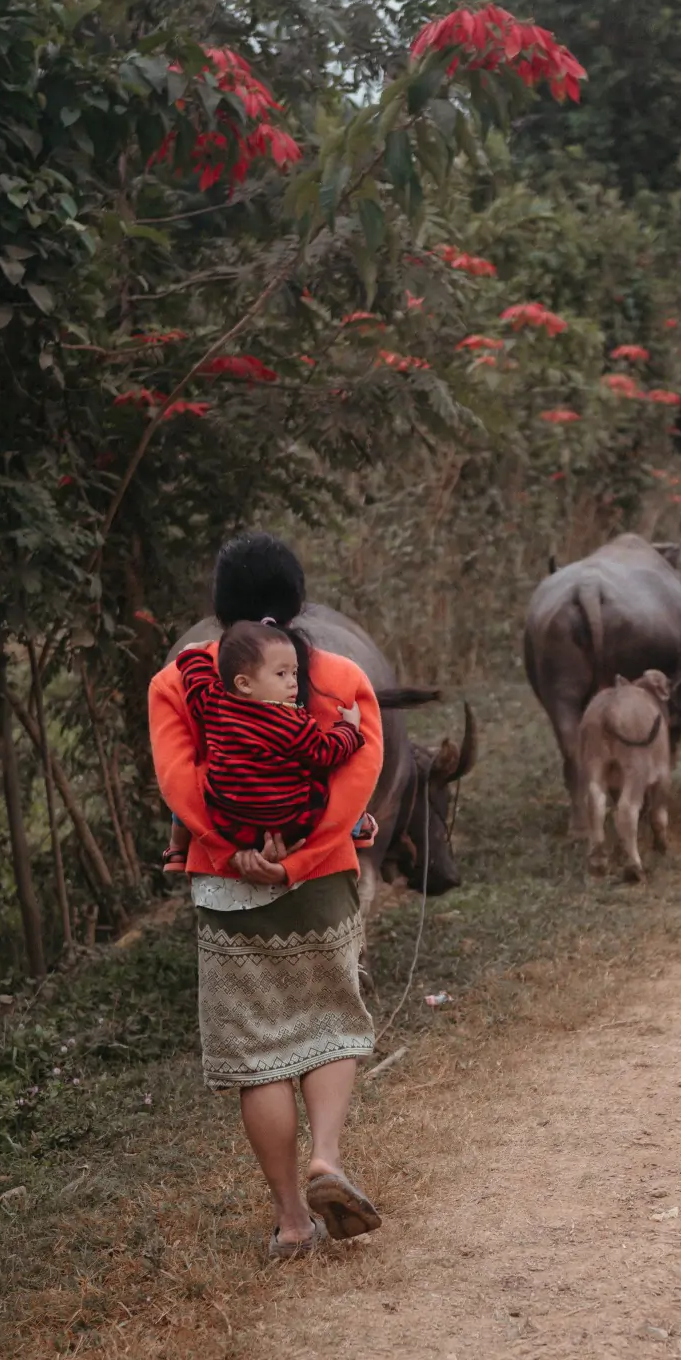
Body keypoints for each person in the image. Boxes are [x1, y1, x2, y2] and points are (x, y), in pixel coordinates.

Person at [149, 532, 384, 1260]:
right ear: (297, 599)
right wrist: (298, 858)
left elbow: (180, 782)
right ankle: (328, 1160)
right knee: (332, 1023)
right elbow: (353, 785)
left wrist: (232, 843)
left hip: (225, 886)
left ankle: (290, 1221)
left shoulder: (177, 681)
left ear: (221, 608)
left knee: (260, 1056)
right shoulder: (339, 676)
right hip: (318, 882)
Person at [162, 620, 363, 871]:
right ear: (244, 683)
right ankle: (358, 825)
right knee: (333, 778)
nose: (292, 682)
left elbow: (197, 684)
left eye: (294, 672)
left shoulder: (214, 704)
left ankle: (175, 848)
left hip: (230, 824)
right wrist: (350, 729)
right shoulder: (292, 724)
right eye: (281, 674)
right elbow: (327, 751)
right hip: (290, 823)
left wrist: (192, 655)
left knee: (193, 783)